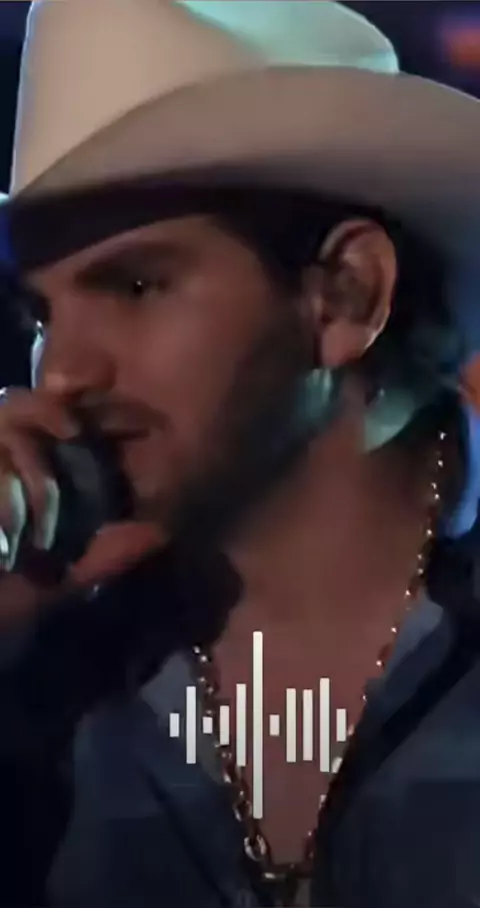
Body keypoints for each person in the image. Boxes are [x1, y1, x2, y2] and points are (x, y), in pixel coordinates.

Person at [0, 1, 480, 906]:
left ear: (345, 294)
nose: (60, 371)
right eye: (40, 315)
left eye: (135, 284)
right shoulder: (50, 668)